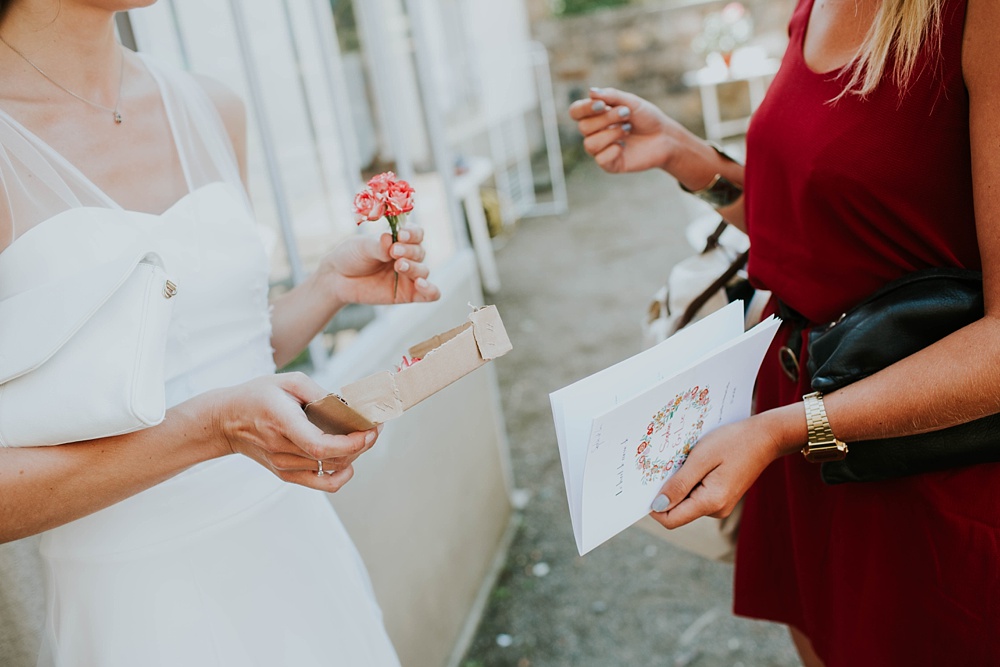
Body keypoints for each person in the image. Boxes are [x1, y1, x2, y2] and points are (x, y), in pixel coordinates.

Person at [0, 0, 441, 665]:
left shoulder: (210, 106)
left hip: (296, 545)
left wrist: (327, 285)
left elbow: (219, 354)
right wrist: (212, 429)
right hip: (139, 602)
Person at [572, 0, 1000, 664]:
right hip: (800, 435)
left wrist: (784, 427)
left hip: (919, 459)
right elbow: (812, 230)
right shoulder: (815, 6)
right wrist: (681, 154)